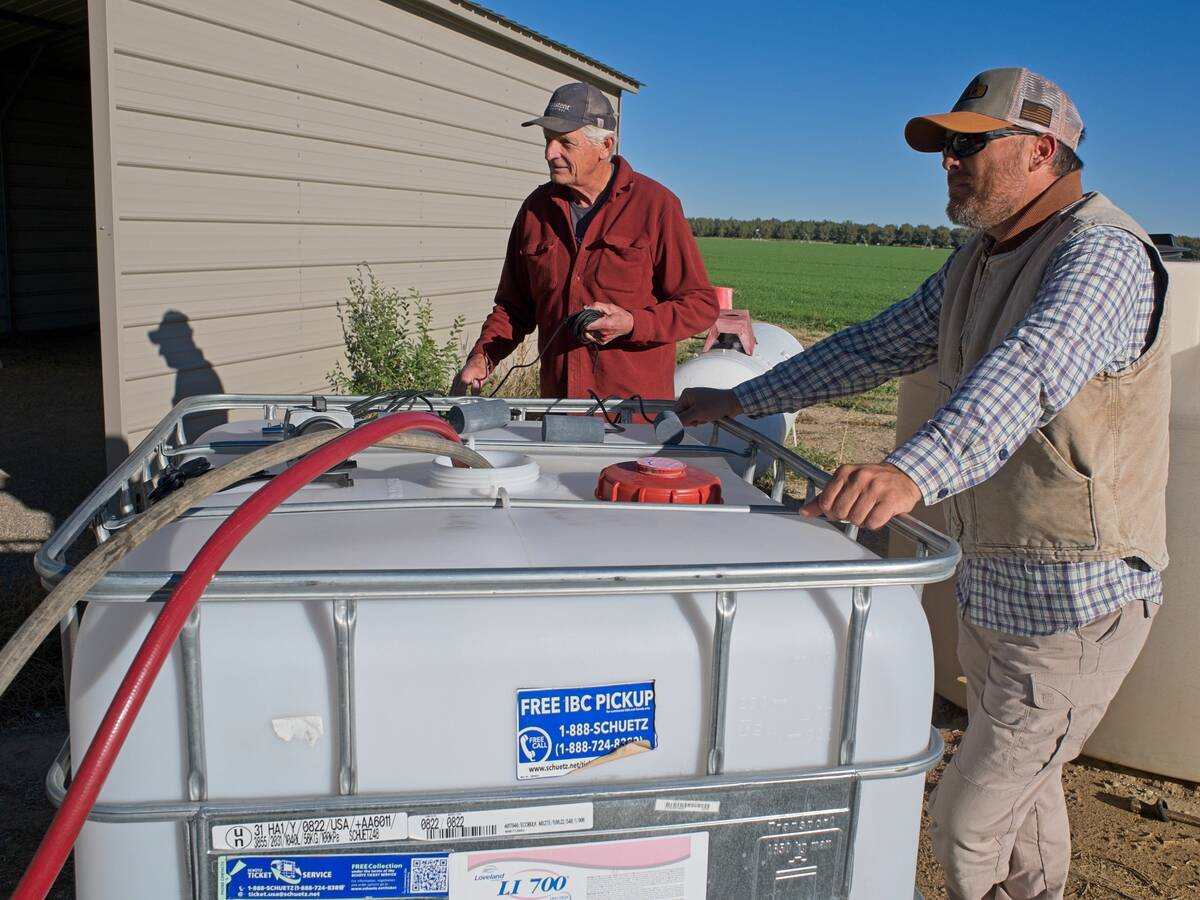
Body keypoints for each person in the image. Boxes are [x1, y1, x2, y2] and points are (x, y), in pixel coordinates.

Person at [676, 68, 1170, 900]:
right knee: (1027, 795)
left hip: (1074, 604)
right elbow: (873, 346)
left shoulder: (1102, 254)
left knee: (968, 823)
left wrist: (911, 470)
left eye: (968, 144)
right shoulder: (979, 261)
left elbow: (1034, 369)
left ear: (1042, 150)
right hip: (997, 586)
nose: (947, 161)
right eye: (945, 146)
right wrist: (741, 396)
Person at [452, 82, 718, 401]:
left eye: (565, 142)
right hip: (557, 410)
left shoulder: (655, 206)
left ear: (605, 145)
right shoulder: (536, 211)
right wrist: (483, 356)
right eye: (548, 141)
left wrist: (633, 323)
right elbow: (513, 306)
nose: (551, 153)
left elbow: (699, 304)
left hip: (633, 418)